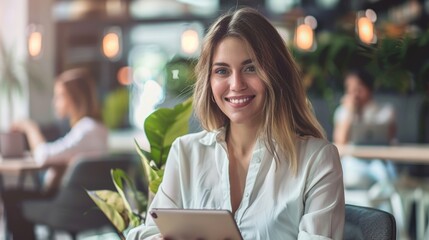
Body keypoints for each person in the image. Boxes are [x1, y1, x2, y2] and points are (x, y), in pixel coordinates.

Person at [128, 7, 344, 240]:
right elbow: (148, 232)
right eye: (222, 71)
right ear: (209, 83)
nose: (236, 84)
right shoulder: (186, 153)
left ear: (276, 74)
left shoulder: (317, 159)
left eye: (250, 68)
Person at [2, 67, 109, 240]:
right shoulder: (99, 129)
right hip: (90, 207)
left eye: (59, 96)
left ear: (74, 98)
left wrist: (30, 128)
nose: (54, 102)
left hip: (71, 207)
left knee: (13, 197)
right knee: (18, 195)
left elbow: (44, 156)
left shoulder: (86, 129)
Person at [333, 69, 396, 189]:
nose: (354, 93)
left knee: (387, 176)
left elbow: (390, 138)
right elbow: (340, 141)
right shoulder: (343, 112)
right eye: (349, 88)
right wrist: (350, 113)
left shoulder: (384, 111)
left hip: (379, 161)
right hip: (353, 162)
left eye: (358, 88)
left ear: (369, 88)